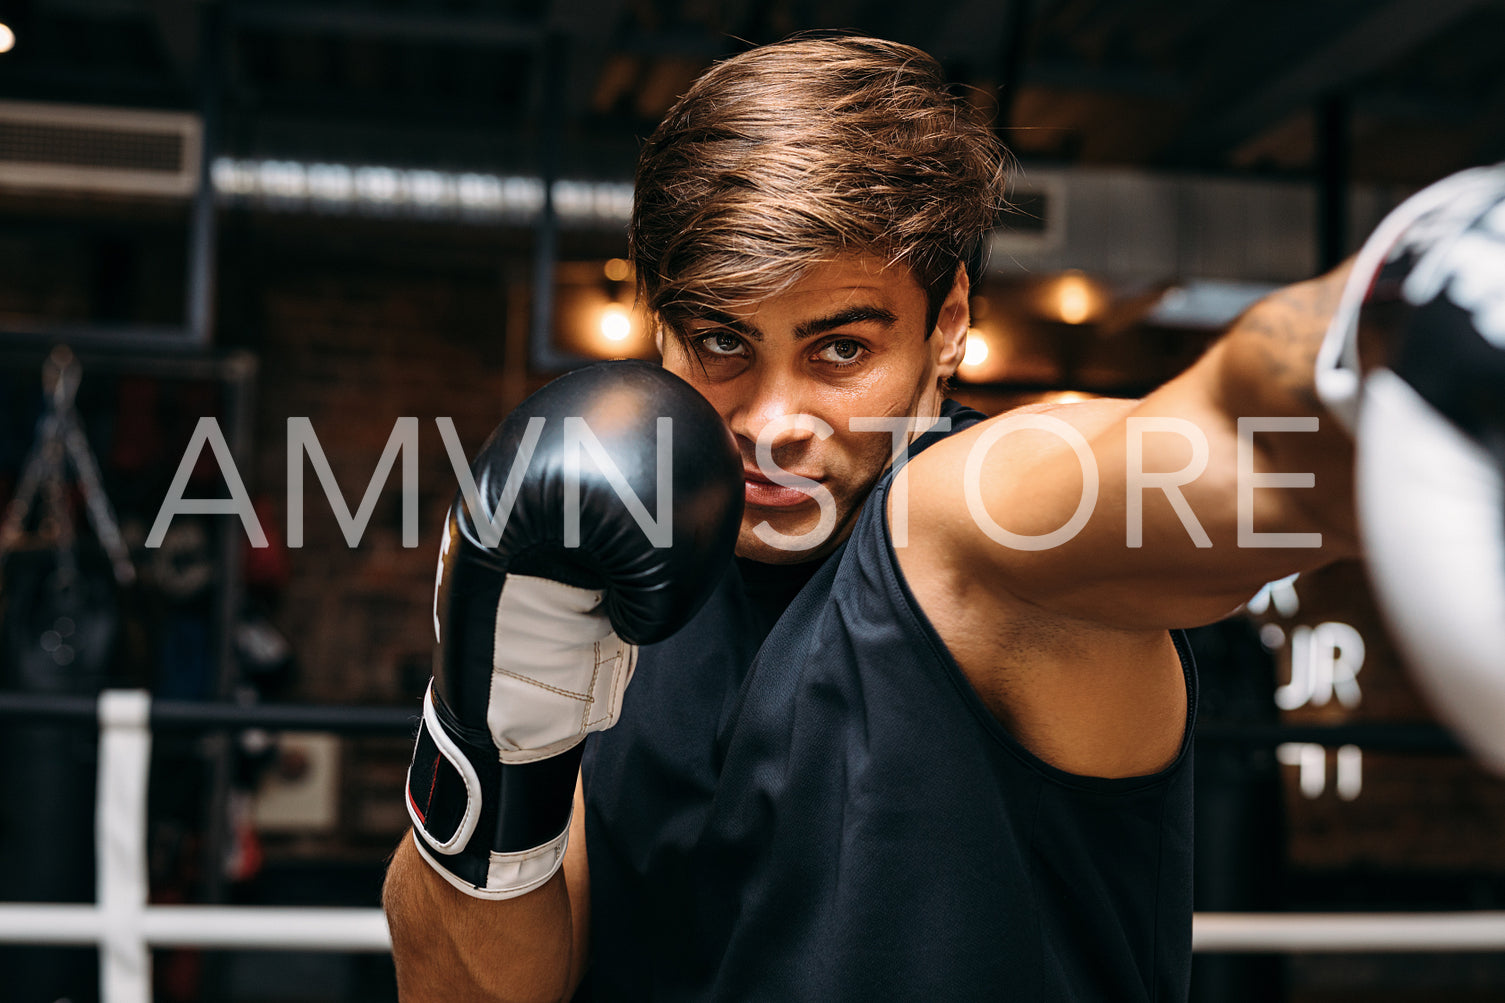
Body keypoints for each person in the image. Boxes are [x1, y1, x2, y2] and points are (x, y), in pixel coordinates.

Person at [382, 34, 1504, 1002]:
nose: (772, 422)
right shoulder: (605, 564)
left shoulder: (971, 520)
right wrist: (493, 723)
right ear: (658, 329)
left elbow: (1221, 441)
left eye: (840, 349)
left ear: (948, 324)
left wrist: (1401, 307)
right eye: (722, 342)